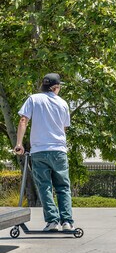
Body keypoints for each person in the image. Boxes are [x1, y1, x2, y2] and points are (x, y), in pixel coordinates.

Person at [14, 73, 75, 232]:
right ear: (56, 87)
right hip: (59, 151)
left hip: (39, 151)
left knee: (45, 187)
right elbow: (64, 128)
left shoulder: (33, 99)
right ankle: (67, 222)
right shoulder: (63, 104)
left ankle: (52, 222)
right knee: (63, 187)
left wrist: (19, 144)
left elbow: (23, 120)